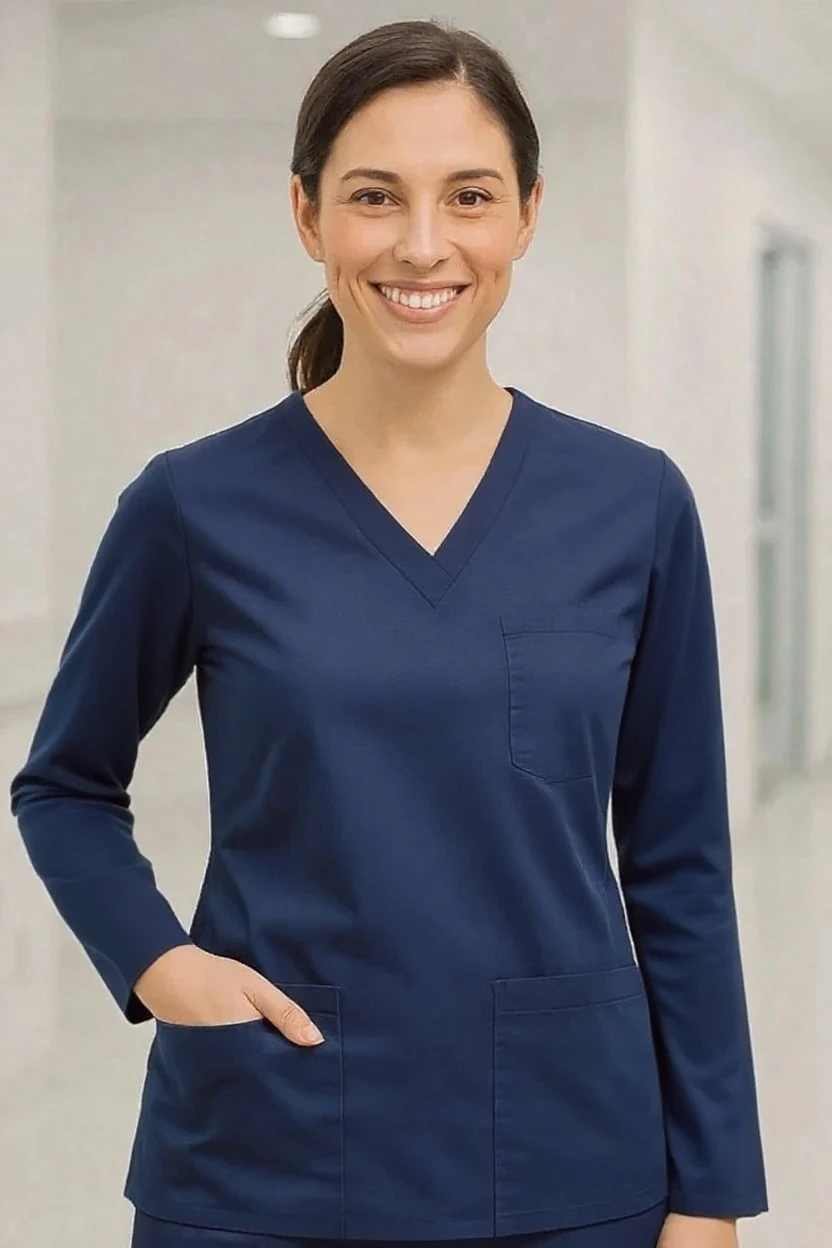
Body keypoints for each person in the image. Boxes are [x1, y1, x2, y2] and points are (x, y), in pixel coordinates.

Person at [9, 18, 767, 1248]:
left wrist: (712, 1191)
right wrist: (160, 964)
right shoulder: (195, 507)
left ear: (526, 213)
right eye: (375, 196)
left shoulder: (632, 506)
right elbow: (65, 786)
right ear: (309, 218)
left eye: (468, 195)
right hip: (264, 1157)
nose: (424, 244)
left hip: (569, 1160)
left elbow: (681, 868)